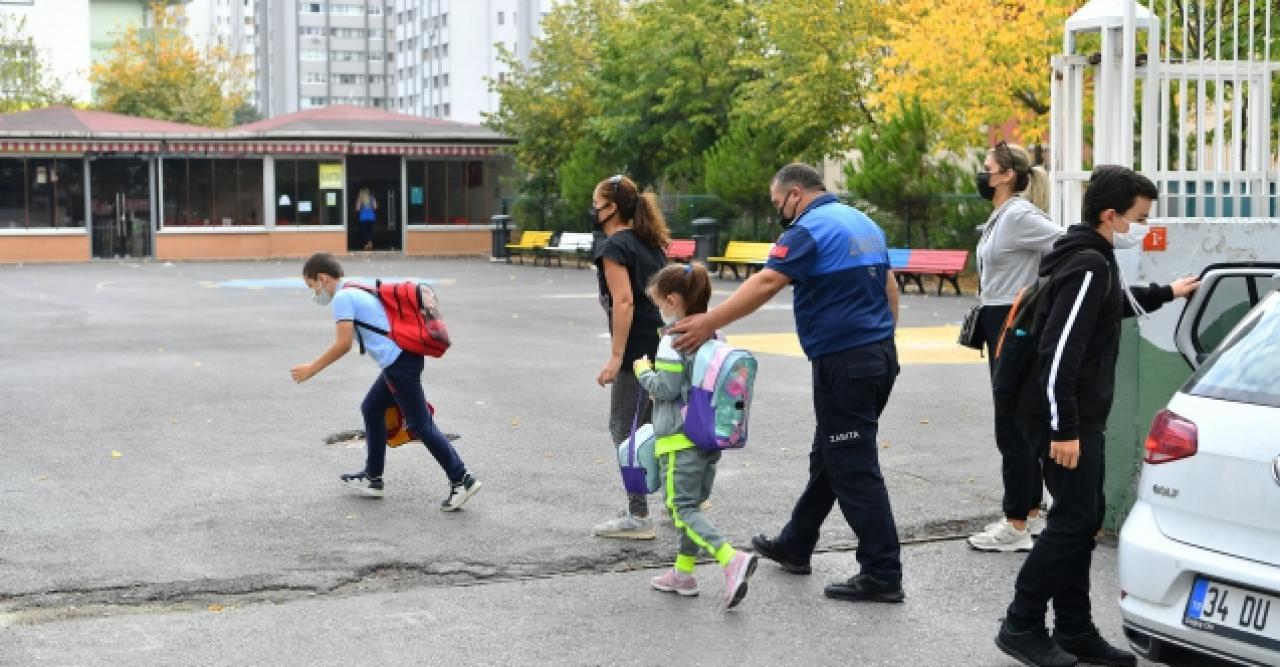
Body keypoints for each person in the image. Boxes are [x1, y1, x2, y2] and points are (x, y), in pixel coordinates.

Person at [672, 163, 905, 604]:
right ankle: (796, 543)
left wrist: (708, 322)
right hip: (875, 355)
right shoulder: (863, 223)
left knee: (852, 464)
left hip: (846, 361)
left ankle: (883, 571)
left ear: (795, 194)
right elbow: (889, 286)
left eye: (778, 203)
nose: (779, 211)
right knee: (830, 456)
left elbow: (767, 281)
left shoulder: (809, 228)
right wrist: (882, 343)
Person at [995, 165, 1199, 667]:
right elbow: (1060, 350)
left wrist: (1168, 292)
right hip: (1066, 420)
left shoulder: (1091, 256)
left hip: (1065, 415)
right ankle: (1021, 625)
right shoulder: (1089, 264)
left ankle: (1073, 629)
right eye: (1140, 217)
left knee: (1076, 520)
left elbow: (1111, 307)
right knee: (1074, 521)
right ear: (1111, 215)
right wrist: (1065, 429)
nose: (1144, 227)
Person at [290, 252, 482, 511]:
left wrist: (311, 369)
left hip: (399, 363)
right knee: (372, 408)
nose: (314, 293)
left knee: (420, 424)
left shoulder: (343, 297)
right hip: (400, 360)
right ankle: (373, 477)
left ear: (322, 278)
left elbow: (343, 343)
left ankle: (461, 479)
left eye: (312, 286)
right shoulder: (356, 288)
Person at [635, 263, 758, 609]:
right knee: (691, 506)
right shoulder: (715, 334)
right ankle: (682, 573)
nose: (660, 309)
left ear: (673, 301)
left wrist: (643, 371)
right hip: (708, 439)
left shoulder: (673, 340)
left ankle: (731, 559)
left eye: (660, 303)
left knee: (682, 508)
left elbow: (667, 388)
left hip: (678, 440)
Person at [968, 141, 1063, 553]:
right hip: (999, 317)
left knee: (1011, 421)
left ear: (1007, 174)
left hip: (1011, 318)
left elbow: (1066, 243)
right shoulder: (1003, 216)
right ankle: (1030, 513)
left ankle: (1016, 524)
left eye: (987, 167)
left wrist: (1037, 294)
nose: (982, 173)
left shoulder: (1019, 215)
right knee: (1020, 417)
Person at [590, 175, 671, 540]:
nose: (593, 211)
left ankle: (638, 515)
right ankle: (677, 502)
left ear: (612, 208)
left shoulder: (615, 247)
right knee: (660, 427)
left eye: (597, 204)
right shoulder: (648, 241)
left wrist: (616, 357)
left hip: (638, 348)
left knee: (626, 430)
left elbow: (625, 302)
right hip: (660, 341)